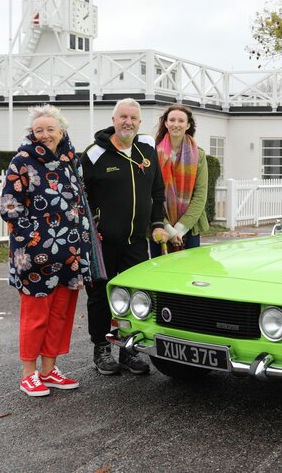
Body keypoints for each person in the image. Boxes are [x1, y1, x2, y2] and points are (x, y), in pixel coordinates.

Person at [0, 105, 99, 397]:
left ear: (61, 131)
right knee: (36, 315)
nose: (44, 135)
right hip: (35, 254)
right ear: (32, 133)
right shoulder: (22, 161)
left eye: (50, 129)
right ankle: (29, 374)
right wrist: (33, 237)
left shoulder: (72, 160)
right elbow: (10, 206)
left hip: (70, 252)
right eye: (38, 130)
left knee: (60, 314)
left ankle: (49, 370)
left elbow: (81, 201)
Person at [81, 98, 169, 376]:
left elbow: (157, 189)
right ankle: (101, 349)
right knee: (100, 295)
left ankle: (128, 351)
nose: (127, 122)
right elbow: (82, 198)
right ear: (113, 119)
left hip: (136, 241)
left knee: (135, 296)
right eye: (123, 117)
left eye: (133, 117)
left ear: (140, 122)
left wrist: (156, 223)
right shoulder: (94, 154)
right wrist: (92, 230)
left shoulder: (147, 148)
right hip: (104, 242)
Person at [150, 104, 210, 256]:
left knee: (189, 275)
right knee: (159, 274)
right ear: (165, 123)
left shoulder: (199, 155)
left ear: (188, 125)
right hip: (160, 227)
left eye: (181, 121)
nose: (176, 124)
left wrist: (179, 229)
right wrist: (168, 229)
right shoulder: (152, 154)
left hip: (189, 228)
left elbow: (200, 195)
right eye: (172, 120)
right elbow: (149, 194)